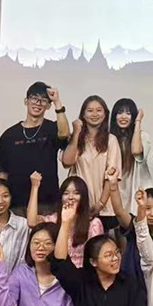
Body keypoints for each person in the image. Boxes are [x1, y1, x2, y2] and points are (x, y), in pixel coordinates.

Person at [50, 200, 148, 306]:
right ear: (93, 262)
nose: (115, 258)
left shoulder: (130, 285)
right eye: (108, 255)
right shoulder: (82, 282)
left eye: (117, 252)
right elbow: (60, 263)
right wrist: (65, 223)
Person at [0, 81, 70, 214]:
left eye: (43, 100)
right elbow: (3, 173)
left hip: (47, 204)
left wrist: (57, 102)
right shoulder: (9, 135)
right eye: (34, 98)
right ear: (26, 101)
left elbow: (64, 134)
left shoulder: (52, 129)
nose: (38, 103)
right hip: (16, 205)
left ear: (48, 106)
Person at [0, 223, 74, 306]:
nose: (41, 247)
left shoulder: (67, 280)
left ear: (57, 246)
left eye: (48, 243)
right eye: (36, 243)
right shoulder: (21, 273)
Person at [61, 95, 122, 231]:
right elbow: (67, 162)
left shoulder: (111, 140)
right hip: (79, 204)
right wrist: (76, 133)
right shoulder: (76, 139)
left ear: (105, 114)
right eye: (90, 111)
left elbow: (111, 176)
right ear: (83, 114)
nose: (94, 114)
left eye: (99, 110)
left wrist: (100, 203)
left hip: (105, 209)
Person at [105, 167, 153, 282]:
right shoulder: (135, 224)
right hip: (133, 277)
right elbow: (119, 212)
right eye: (147, 208)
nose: (152, 213)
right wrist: (113, 185)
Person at [28, 173, 104, 268]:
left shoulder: (93, 223)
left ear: (83, 197)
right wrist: (35, 187)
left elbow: (97, 255)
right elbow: (32, 223)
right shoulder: (54, 219)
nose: (70, 197)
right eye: (66, 193)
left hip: (84, 272)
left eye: (76, 193)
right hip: (58, 271)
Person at [110, 98, 151, 216]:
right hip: (116, 189)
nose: (123, 117)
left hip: (136, 189)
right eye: (120, 113)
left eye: (128, 113)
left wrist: (138, 121)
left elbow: (136, 150)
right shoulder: (109, 138)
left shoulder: (143, 136)